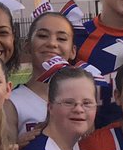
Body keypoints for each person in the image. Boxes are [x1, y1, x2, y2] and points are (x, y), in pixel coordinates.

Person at [19, 67, 98, 150]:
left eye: (87, 103)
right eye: (68, 102)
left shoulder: (72, 141)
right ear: (50, 107)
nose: (79, 109)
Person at [8, 10, 77, 141]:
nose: (51, 43)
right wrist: (17, 146)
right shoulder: (12, 102)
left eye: (61, 38)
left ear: (73, 51)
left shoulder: (82, 101)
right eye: (43, 36)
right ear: (27, 46)